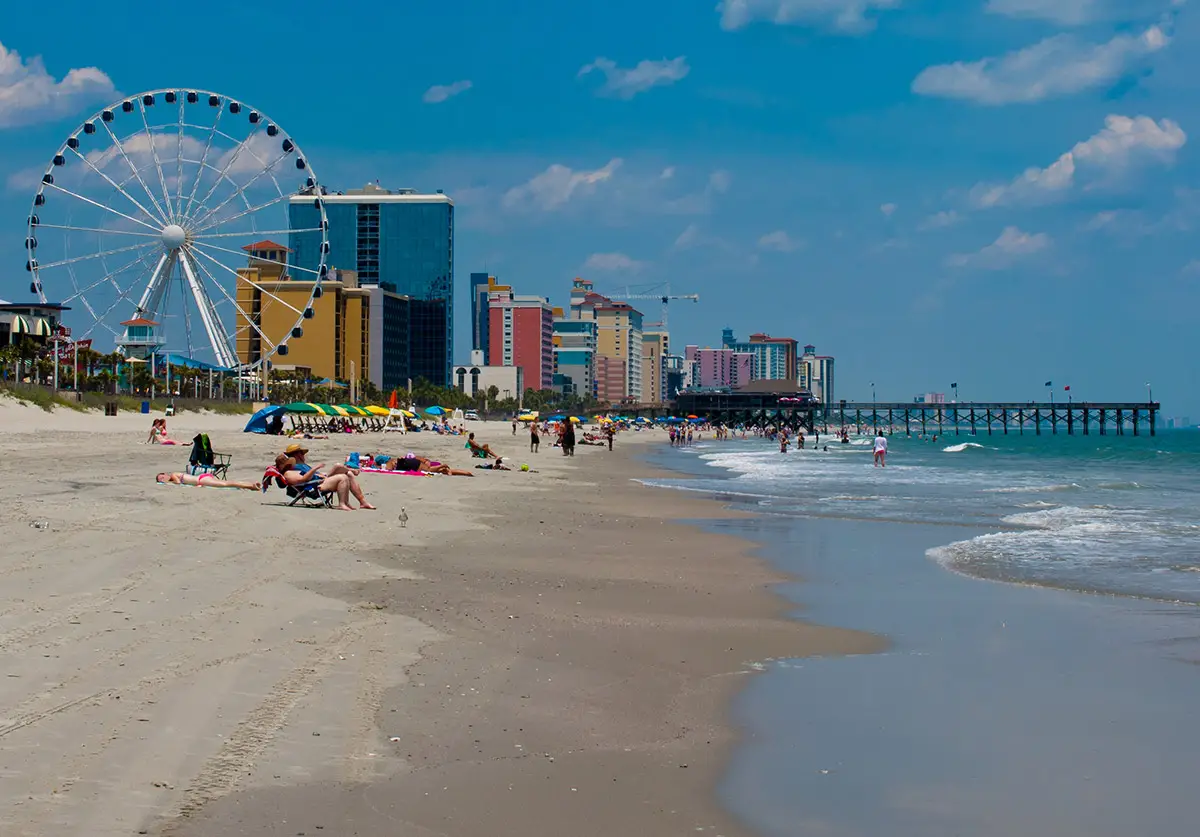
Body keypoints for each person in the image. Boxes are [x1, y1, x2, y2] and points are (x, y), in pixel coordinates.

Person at [285, 445, 376, 509]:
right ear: (296, 455)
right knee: (339, 469)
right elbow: (305, 478)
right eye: (301, 453)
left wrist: (321, 474)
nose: (303, 455)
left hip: (319, 481)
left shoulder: (303, 465)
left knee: (349, 474)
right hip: (314, 486)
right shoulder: (295, 467)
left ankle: (362, 502)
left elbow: (312, 474)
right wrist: (319, 474)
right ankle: (343, 503)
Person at [274, 455, 359, 511]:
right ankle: (342, 504)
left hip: (316, 483)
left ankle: (346, 503)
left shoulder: (291, 471)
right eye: (289, 464)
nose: (292, 465)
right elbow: (304, 479)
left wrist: (319, 476)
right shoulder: (288, 473)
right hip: (313, 488)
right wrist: (315, 468)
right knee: (342, 478)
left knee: (344, 475)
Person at [156, 472, 260, 490]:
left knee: (226, 484)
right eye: (160, 480)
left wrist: (169, 482)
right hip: (202, 478)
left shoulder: (173, 475)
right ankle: (250, 485)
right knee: (226, 483)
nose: (162, 480)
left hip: (201, 479)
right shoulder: (175, 475)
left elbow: (178, 483)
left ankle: (252, 485)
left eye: (162, 477)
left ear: (165, 474)